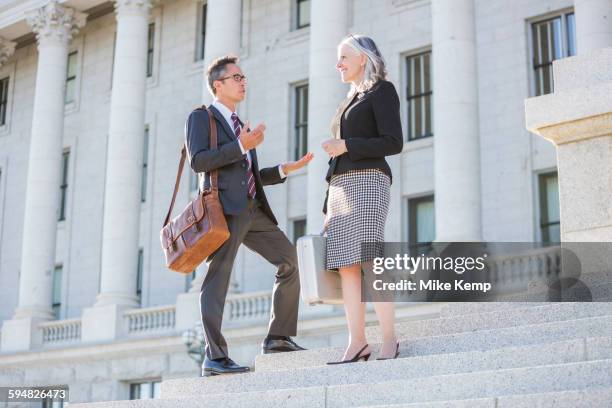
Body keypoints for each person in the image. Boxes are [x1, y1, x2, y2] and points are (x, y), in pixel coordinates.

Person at [185, 55, 313, 377]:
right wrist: (241, 146)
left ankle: (277, 337)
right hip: (224, 211)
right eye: (237, 77)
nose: (243, 82)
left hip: (253, 209)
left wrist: (285, 169)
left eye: (244, 78)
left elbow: (248, 173)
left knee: (291, 261)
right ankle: (214, 357)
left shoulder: (242, 126)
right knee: (218, 281)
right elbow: (199, 162)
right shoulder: (202, 118)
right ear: (218, 84)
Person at [321, 35, 404, 364]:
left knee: (370, 258)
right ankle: (357, 342)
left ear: (363, 58)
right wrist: (327, 205)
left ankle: (388, 338)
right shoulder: (350, 98)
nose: (338, 64)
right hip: (340, 187)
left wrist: (348, 145)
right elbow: (337, 157)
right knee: (346, 265)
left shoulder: (382, 90)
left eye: (343, 57)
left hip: (369, 181)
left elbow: (393, 141)